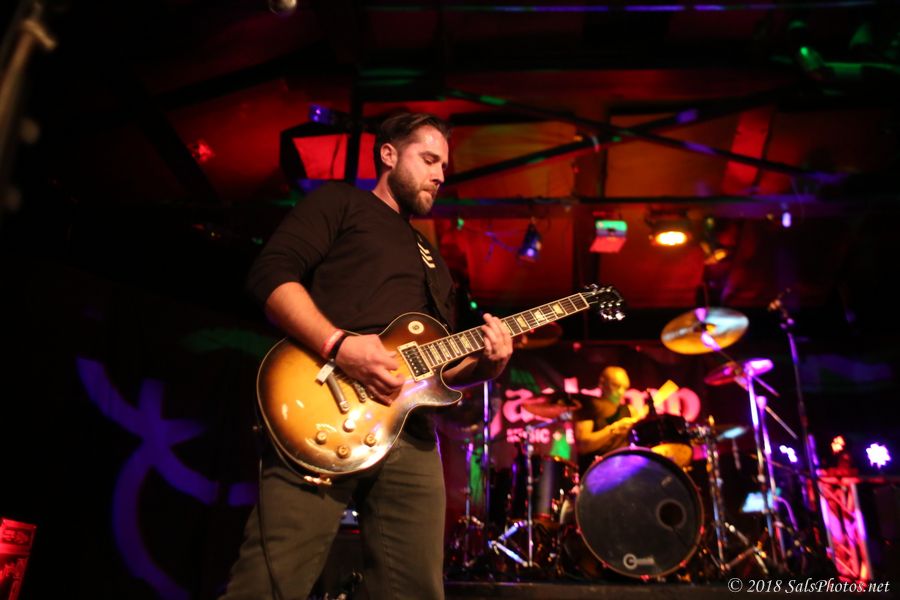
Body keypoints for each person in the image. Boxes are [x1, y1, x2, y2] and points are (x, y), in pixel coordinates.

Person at [220, 112, 514, 600]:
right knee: (269, 584)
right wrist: (339, 345)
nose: (440, 175)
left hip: (411, 433)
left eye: (444, 166)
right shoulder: (341, 203)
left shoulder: (435, 264)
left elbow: (441, 372)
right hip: (325, 407)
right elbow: (269, 276)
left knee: (417, 590)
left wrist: (487, 365)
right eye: (429, 159)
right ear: (388, 154)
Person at [573, 365, 644, 473]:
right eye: (616, 386)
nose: (621, 392)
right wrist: (614, 429)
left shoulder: (630, 411)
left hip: (624, 469)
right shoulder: (590, 408)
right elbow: (582, 446)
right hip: (595, 471)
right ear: (602, 383)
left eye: (624, 387)